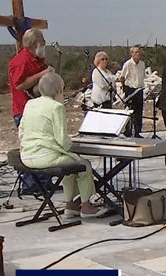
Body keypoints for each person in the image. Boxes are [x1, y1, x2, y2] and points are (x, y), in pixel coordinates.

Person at [18, 73, 103, 217]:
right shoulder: (56, 107)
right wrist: (73, 145)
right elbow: (62, 140)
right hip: (45, 157)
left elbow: (21, 132)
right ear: (58, 90)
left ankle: (71, 205)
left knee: (70, 165)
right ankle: (86, 205)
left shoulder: (30, 103)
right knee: (84, 165)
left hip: (27, 156)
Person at [8, 28, 51, 127]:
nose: (44, 42)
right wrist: (42, 74)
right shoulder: (21, 60)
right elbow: (19, 85)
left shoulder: (37, 59)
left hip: (37, 109)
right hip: (24, 112)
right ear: (33, 43)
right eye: (41, 39)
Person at [119, 47, 146, 137]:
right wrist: (124, 87)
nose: (138, 54)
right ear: (132, 54)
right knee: (130, 111)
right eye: (136, 52)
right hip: (131, 89)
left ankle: (138, 132)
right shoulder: (128, 64)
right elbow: (122, 77)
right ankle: (128, 131)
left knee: (139, 112)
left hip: (139, 89)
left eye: (139, 52)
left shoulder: (142, 64)